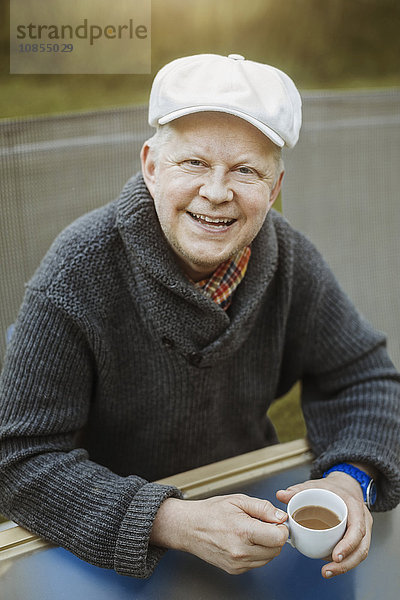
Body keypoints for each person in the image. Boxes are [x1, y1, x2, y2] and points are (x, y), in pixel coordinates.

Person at [0, 53, 399, 582]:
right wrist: (168, 519)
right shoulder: (76, 274)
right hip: (104, 547)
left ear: (274, 189)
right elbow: (19, 457)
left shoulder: (291, 260)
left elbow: (365, 376)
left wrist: (352, 477)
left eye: (246, 170)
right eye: (194, 163)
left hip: (254, 509)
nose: (217, 192)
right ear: (150, 165)